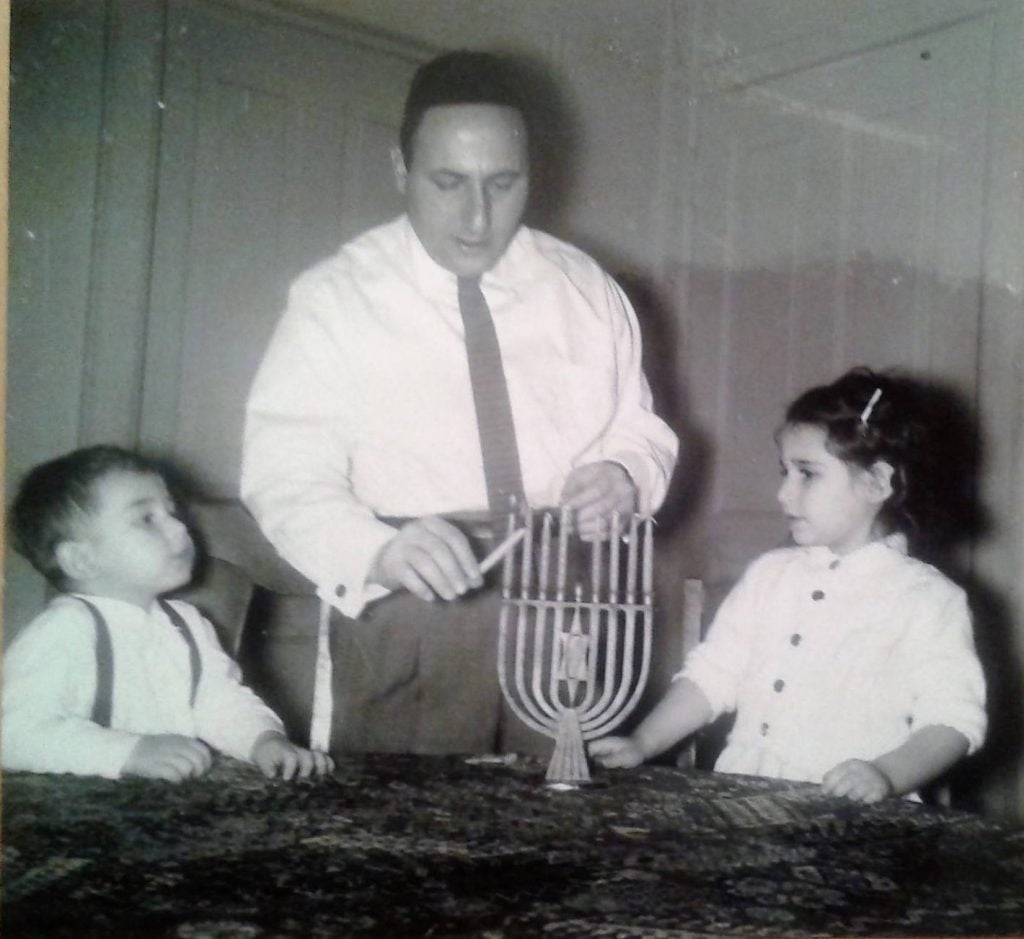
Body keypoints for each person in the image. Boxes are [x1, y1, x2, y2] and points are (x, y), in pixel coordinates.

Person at [241, 50, 678, 755]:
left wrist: (626, 476)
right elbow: (283, 475)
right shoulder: (335, 298)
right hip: (406, 612)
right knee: (397, 847)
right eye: (449, 182)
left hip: (562, 604)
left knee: (552, 842)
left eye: (503, 183)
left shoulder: (586, 289)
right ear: (400, 169)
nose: (477, 217)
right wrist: (378, 552)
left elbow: (639, 427)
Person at [590, 368, 987, 803]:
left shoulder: (927, 600)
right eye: (785, 472)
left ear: (876, 483)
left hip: (854, 820)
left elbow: (951, 721)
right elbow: (711, 677)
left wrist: (885, 775)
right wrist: (643, 743)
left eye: (807, 474)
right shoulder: (768, 575)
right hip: (741, 803)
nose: (783, 494)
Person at [2, 445, 334, 782]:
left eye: (172, 513)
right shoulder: (64, 630)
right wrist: (129, 751)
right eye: (147, 519)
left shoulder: (187, 622)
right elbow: (14, 735)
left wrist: (264, 740)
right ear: (82, 560)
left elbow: (220, 702)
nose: (179, 529)